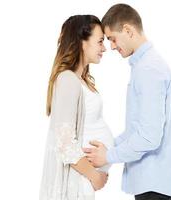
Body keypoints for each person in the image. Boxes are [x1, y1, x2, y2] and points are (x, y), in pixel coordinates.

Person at [84, 4, 171, 200]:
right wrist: (108, 148)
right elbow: (136, 130)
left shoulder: (149, 69)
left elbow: (149, 137)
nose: (111, 46)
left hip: (154, 185)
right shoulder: (143, 67)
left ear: (128, 30)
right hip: (150, 184)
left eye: (112, 39)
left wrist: (108, 156)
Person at [39, 15, 114, 200]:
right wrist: (95, 176)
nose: (104, 48)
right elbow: (64, 143)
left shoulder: (81, 81)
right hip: (76, 182)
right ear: (82, 42)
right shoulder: (68, 80)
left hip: (82, 182)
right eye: (99, 41)